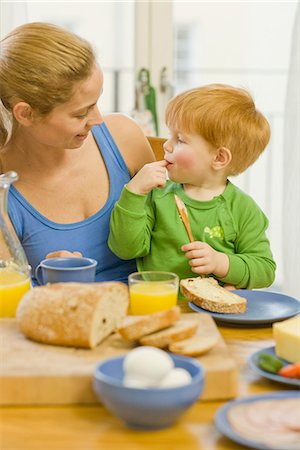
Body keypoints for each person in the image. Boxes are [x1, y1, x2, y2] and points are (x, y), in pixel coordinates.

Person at [0, 22, 155, 285]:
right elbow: (8, 296)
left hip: (154, 313)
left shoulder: (124, 138)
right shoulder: (5, 187)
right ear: (26, 113)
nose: (97, 119)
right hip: (64, 319)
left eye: (97, 102)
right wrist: (44, 280)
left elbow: (182, 225)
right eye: (80, 113)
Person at [108, 84, 276, 291]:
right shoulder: (157, 195)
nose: (166, 145)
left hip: (215, 315)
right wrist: (134, 192)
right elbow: (124, 249)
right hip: (160, 304)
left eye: (179, 140)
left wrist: (220, 262)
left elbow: (265, 270)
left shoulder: (243, 209)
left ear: (219, 158)